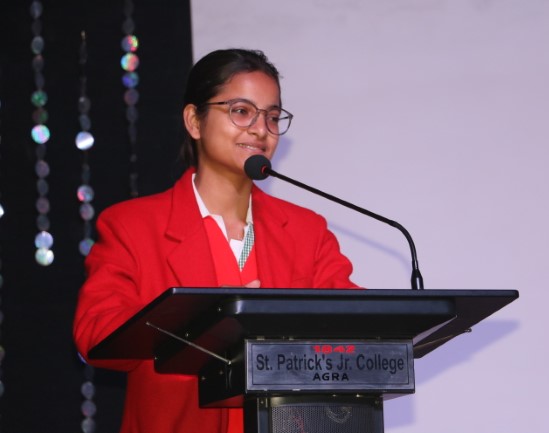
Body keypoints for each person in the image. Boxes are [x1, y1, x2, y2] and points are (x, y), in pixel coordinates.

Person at [73, 48, 358, 433]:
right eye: (241, 111)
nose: (261, 130)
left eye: (272, 117)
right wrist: (205, 317)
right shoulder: (132, 226)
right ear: (194, 120)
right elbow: (95, 335)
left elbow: (355, 327)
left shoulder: (306, 230)